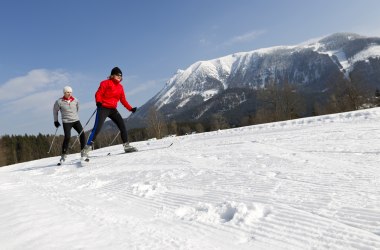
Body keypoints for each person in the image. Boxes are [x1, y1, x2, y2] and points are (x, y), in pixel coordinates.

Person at [81, 67, 137, 158]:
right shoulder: (105, 83)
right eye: (117, 75)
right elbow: (98, 93)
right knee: (97, 128)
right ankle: (86, 149)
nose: (119, 76)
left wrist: (130, 109)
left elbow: (123, 100)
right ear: (112, 75)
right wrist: (98, 101)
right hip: (103, 108)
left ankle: (126, 146)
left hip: (113, 109)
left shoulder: (120, 87)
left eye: (121, 75)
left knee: (122, 125)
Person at [53, 86, 86, 162]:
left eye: (70, 92)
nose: (69, 94)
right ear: (64, 93)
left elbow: (77, 108)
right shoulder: (59, 102)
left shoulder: (75, 100)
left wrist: (74, 116)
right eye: (67, 92)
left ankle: (83, 152)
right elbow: (55, 111)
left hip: (76, 120)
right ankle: (63, 154)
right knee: (67, 137)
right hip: (66, 121)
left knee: (82, 134)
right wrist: (56, 121)